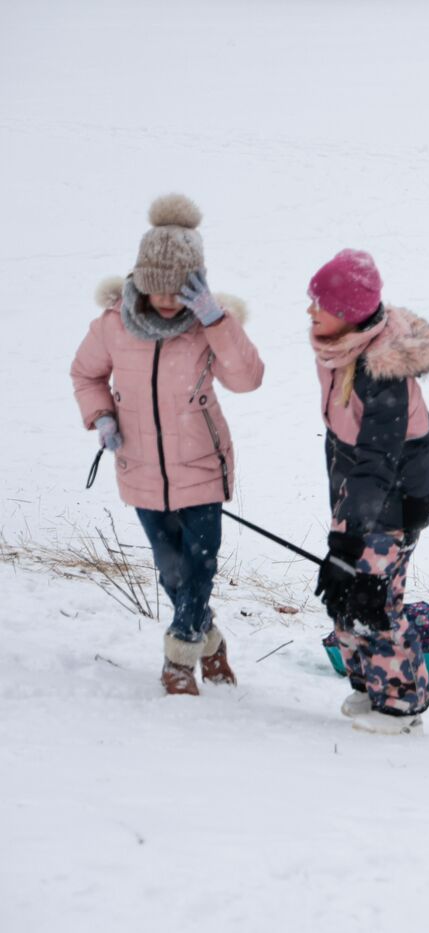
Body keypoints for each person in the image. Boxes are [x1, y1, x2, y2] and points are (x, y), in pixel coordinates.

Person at [70, 194, 264, 696]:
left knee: (199, 566)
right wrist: (102, 417)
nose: (168, 300)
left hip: (201, 463)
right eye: (158, 289)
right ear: (141, 279)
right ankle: (212, 643)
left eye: (179, 290)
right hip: (140, 468)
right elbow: (86, 374)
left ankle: (179, 660)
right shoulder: (113, 325)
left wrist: (217, 319)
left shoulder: (207, 325)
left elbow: (247, 379)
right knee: (173, 571)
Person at [307, 249, 429, 735]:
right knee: (345, 593)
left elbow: (378, 459)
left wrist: (348, 537)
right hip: (358, 496)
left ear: (345, 316)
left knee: (373, 598)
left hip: (391, 502)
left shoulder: (380, 369)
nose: (309, 311)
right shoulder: (339, 347)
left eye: (318, 304)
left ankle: (402, 705)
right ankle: (371, 687)